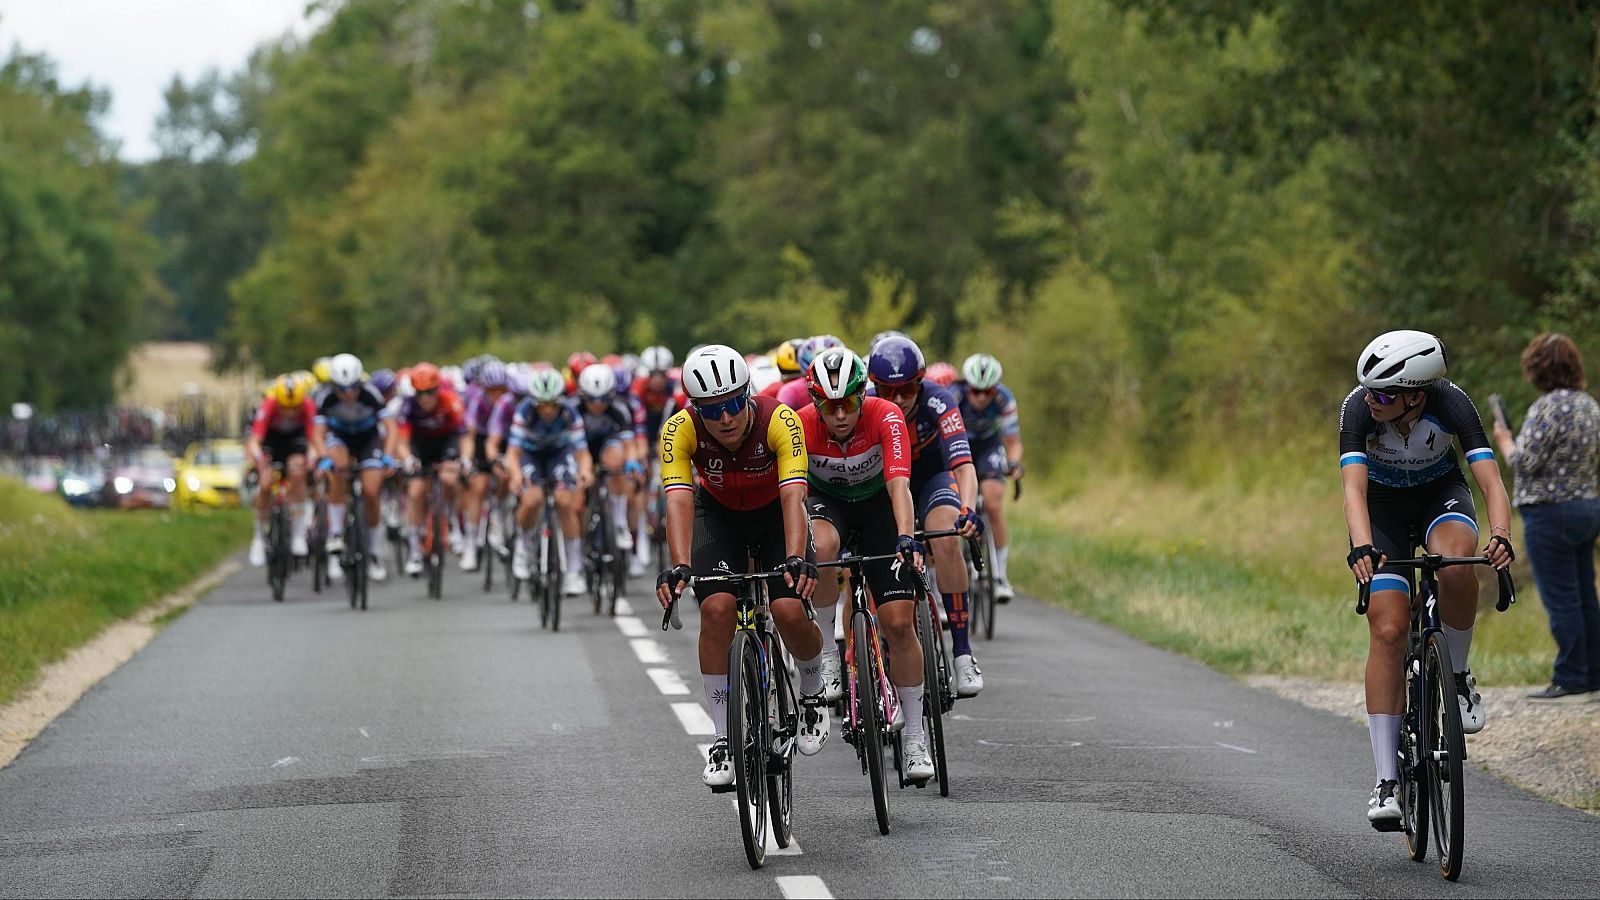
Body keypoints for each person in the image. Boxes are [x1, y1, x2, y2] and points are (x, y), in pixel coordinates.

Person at [1339, 329, 1514, 829]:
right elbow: (1353, 490)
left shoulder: (1452, 403)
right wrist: (1362, 546)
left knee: (1456, 565)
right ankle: (1386, 780)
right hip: (1382, 509)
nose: (1371, 400)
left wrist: (1500, 535)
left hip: (1441, 495)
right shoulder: (1357, 409)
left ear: (1415, 395)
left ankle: (1457, 676)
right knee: (1389, 628)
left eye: (1383, 395)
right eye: (1369, 391)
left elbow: (1490, 481)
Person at [653, 345, 823, 788]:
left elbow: (793, 495)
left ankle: (812, 689)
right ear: (696, 408)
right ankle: (723, 738)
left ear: (747, 393)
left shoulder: (780, 419)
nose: (726, 418)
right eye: (712, 410)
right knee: (716, 609)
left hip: (776, 514)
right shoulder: (679, 429)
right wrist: (680, 565)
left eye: (733, 403)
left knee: (787, 609)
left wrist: (794, 556)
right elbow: (678, 499)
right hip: (719, 515)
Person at [797, 348, 933, 780]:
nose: (840, 415)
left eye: (849, 403)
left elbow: (899, 485)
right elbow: (793, 495)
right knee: (820, 546)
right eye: (829, 406)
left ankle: (915, 740)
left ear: (862, 396)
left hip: (878, 508)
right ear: (815, 402)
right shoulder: (800, 425)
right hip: (829, 505)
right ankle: (828, 653)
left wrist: (906, 537)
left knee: (899, 623)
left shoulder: (886, 415)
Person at [868, 336, 986, 696]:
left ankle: (962, 653)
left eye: (907, 389)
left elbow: (963, 464)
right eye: (887, 390)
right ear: (874, 387)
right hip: (888, 483)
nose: (898, 399)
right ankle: (876, 653)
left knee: (947, 536)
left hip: (932, 476)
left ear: (920, 383)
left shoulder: (939, 399)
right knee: (874, 553)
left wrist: (968, 509)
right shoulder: (866, 405)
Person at [1491, 333, 1600, 701]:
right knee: (1585, 595)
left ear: (1539, 370)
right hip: (1587, 508)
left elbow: (1525, 461)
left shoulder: (1547, 408)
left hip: (1550, 513)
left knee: (1562, 598)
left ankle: (1570, 676)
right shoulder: (1589, 405)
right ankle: (1593, 674)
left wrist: (1505, 440)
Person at [503, 368, 593, 597]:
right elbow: (512, 452)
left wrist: (584, 471)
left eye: (552, 404)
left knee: (564, 501)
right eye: (542, 405)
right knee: (532, 499)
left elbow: (582, 452)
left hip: (559, 454)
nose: (548, 410)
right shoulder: (524, 412)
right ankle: (523, 546)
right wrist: (515, 474)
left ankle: (574, 570)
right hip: (530, 455)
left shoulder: (569, 412)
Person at [312, 353, 394, 582]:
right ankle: (336, 533)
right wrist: (323, 457)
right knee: (337, 468)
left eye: (353, 388)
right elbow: (318, 433)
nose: (349, 394)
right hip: (340, 437)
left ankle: (375, 551)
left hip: (368, 439)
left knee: (371, 491)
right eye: (342, 389)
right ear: (333, 385)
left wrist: (388, 456)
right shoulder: (325, 397)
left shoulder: (371, 394)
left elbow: (391, 427)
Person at [954, 353, 1023, 601]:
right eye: (976, 391)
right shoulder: (954, 396)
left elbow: (1013, 441)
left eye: (988, 391)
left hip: (989, 445)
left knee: (993, 503)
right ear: (966, 386)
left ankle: (1000, 576)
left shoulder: (1004, 398)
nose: (982, 397)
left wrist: (1014, 463)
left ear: (996, 389)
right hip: (958, 444)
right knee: (957, 503)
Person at [388, 362, 466, 578]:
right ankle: (414, 549)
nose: (425, 399)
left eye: (430, 392)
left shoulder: (451, 401)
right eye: (420, 393)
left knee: (450, 479)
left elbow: (464, 435)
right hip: (419, 446)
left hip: (445, 443)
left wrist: (465, 459)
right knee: (415, 492)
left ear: (437, 389)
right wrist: (407, 459)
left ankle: (451, 519)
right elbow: (402, 440)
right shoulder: (407, 406)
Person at [246, 372, 317, 565]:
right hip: (271, 441)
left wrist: (312, 458)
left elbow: (314, 440)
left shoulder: (308, 405)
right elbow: (255, 441)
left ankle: (298, 534)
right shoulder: (268, 405)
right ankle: (259, 538)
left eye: (295, 408)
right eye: (285, 408)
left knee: (298, 470)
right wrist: (259, 460)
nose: (290, 413)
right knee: (265, 483)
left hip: (295, 441)